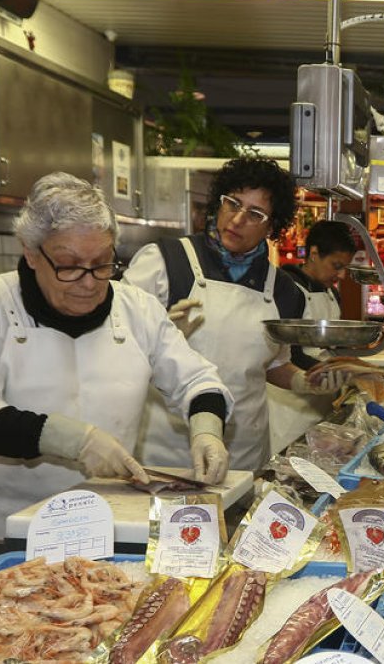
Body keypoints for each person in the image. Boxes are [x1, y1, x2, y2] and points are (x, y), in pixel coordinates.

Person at [0, 173, 232, 540]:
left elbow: (197, 380)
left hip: (96, 523)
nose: (89, 283)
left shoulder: (137, 309)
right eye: (69, 266)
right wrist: (74, 440)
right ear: (31, 254)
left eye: (102, 264)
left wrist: (207, 431)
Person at [124, 157, 323, 473]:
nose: (238, 219)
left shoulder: (284, 292)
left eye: (255, 214)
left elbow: (272, 363)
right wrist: (154, 337)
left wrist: (303, 383)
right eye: (233, 203)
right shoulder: (165, 262)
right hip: (166, 456)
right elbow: (113, 349)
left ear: (272, 227)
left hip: (244, 456)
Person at [281, 219, 356, 320]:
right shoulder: (287, 289)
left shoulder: (332, 293)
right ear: (314, 254)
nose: (342, 275)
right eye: (337, 266)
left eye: (345, 268)